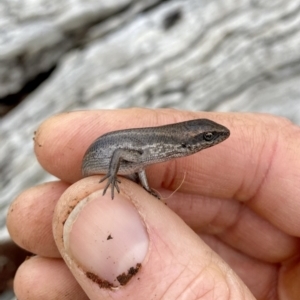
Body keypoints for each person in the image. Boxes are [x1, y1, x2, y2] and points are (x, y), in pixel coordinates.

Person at [7, 109, 300, 299]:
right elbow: (122, 152)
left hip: (98, 180)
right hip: (96, 168)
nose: (213, 140)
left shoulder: (158, 149)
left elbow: (138, 164)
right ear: (188, 142)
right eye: (207, 138)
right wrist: (111, 177)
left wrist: (146, 189)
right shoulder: (156, 145)